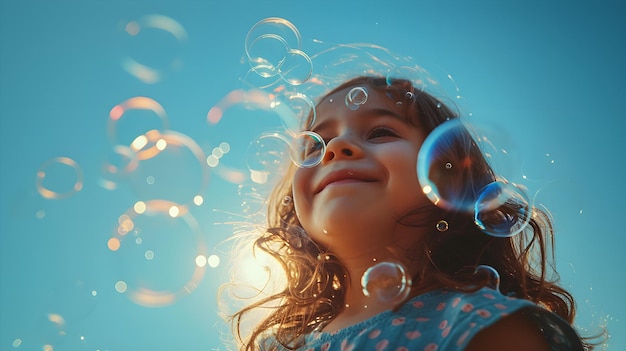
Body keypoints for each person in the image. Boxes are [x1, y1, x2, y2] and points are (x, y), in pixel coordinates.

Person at [226, 76, 594, 350]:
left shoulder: (481, 325)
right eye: (315, 145)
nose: (336, 147)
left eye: (380, 131)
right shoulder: (278, 346)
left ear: (447, 175)